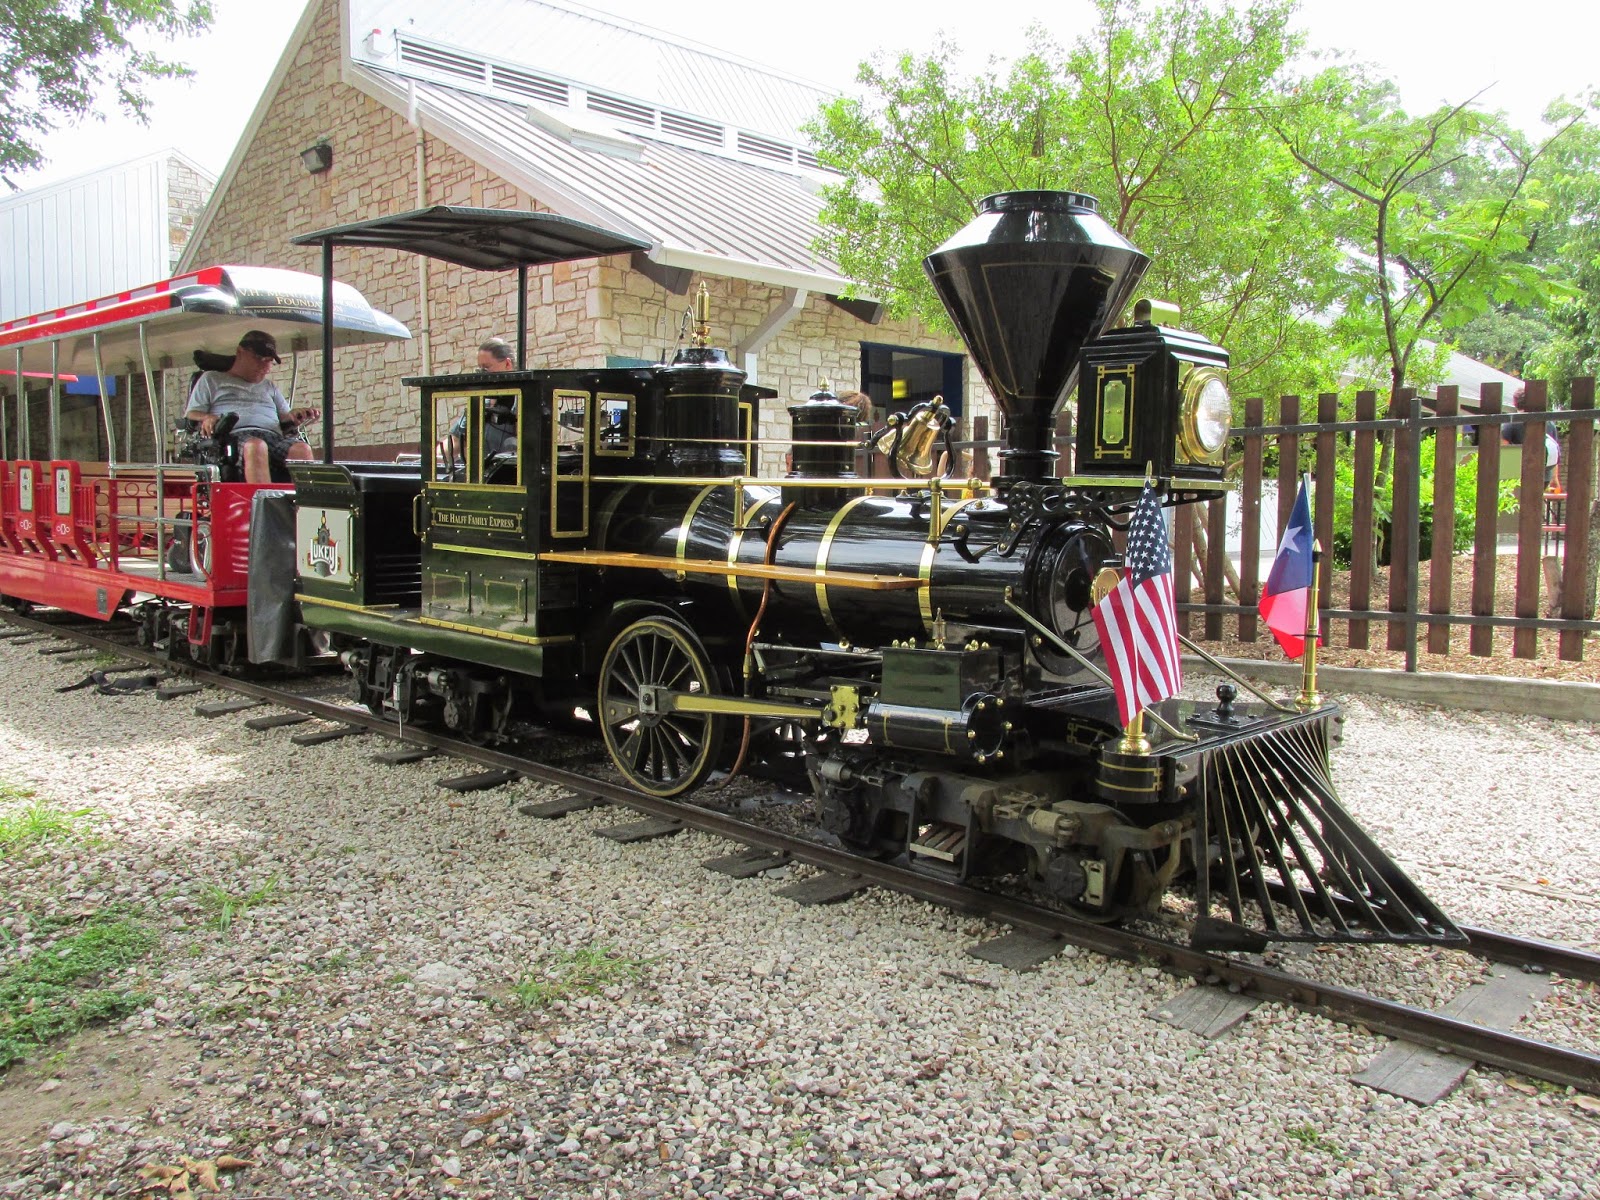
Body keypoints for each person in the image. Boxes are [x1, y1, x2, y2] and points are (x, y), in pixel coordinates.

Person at [185, 330, 319, 484]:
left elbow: (285, 417)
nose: (265, 366)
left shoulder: (269, 387)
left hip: (272, 434)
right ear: (240, 352)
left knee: (302, 449)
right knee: (256, 446)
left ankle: (307, 505)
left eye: (268, 360)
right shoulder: (211, 379)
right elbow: (191, 413)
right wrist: (206, 417)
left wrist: (297, 415)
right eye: (258, 358)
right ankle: (265, 504)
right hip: (235, 436)